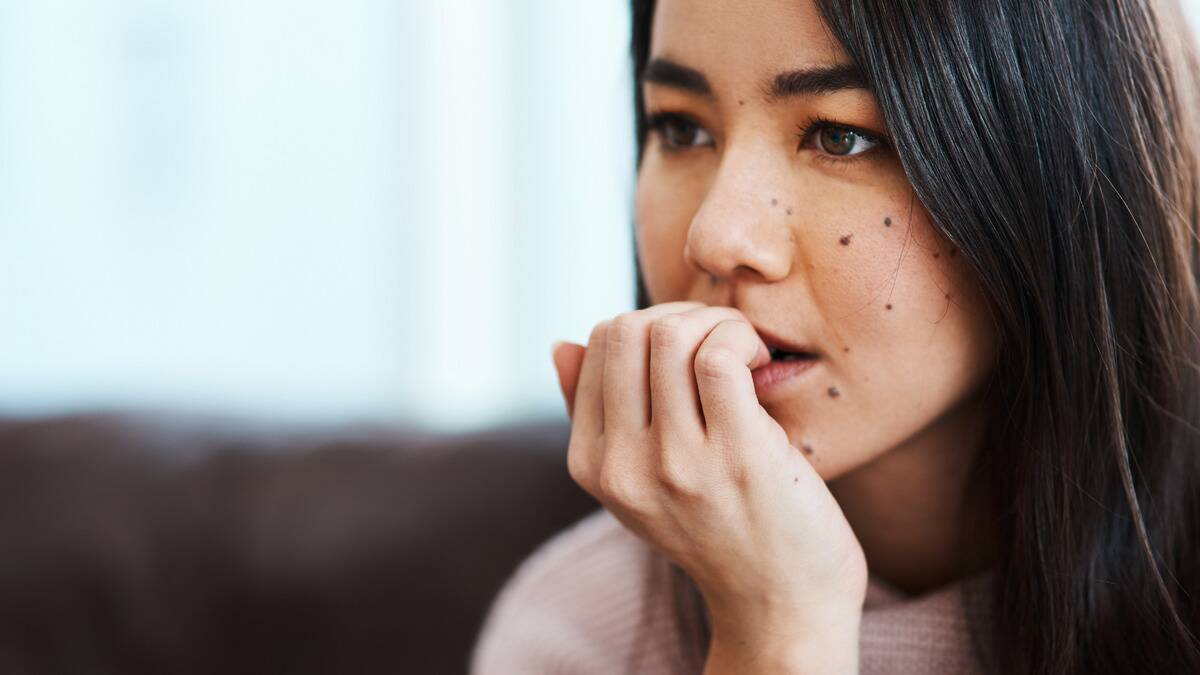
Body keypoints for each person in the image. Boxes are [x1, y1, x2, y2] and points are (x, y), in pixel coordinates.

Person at [471, 0, 1200, 672]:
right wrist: (775, 625)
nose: (716, 236)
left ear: (1062, 159)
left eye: (840, 136)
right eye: (680, 128)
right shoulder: (580, 634)